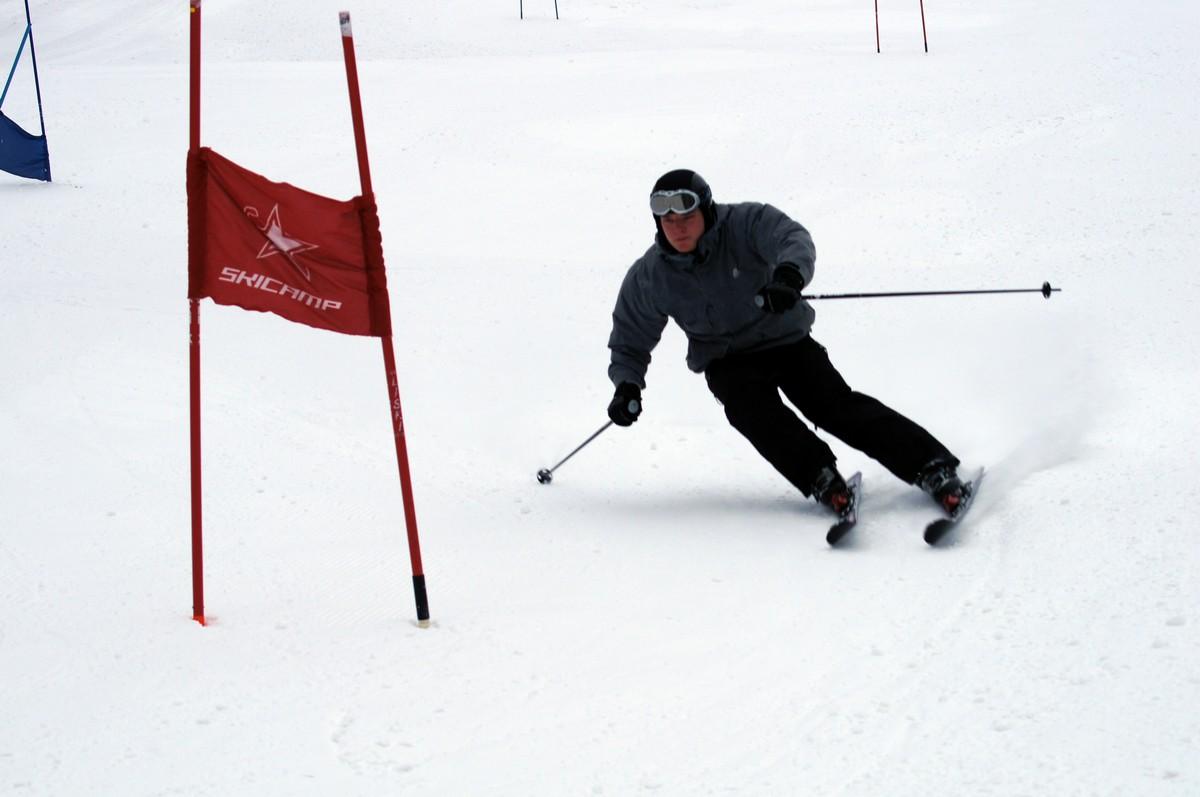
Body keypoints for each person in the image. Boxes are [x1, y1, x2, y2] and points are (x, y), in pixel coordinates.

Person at [606, 168, 965, 516]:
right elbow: (630, 338)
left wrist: (788, 277)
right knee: (753, 414)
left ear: (707, 210)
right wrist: (627, 385)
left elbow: (790, 237)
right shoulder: (651, 275)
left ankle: (931, 466)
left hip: (784, 340)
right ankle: (821, 478)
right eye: (668, 221)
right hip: (726, 359)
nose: (677, 228)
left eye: (686, 217)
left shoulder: (745, 223)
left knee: (832, 407)